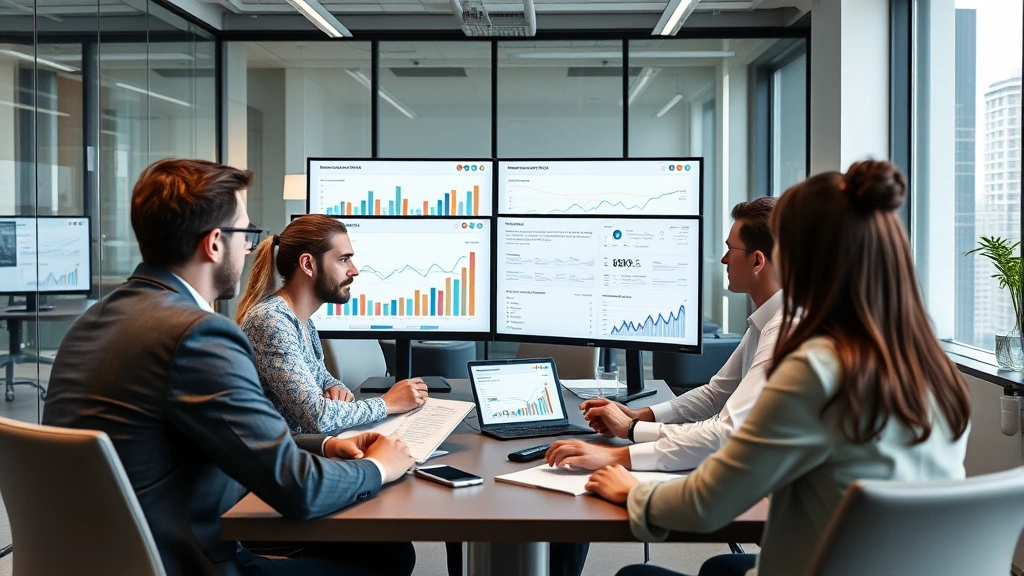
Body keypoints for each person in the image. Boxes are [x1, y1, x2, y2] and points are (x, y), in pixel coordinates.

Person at [586, 160, 972, 576]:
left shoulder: (816, 365)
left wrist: (631, 492)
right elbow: (722, 398)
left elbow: (707, 502)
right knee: (723, 568)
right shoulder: (933, 367)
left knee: (635, 575)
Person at [42, 159, 418, 576]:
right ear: (215, 243)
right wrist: (380, 466)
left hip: (103, 559)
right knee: (391, 557)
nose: (251, 248)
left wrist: (325, 445)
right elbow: (298, 491)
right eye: (246, 233)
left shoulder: (91, 322)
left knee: (383, 550)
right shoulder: (199, 336)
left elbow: (220, 437)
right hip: (188, 562)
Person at [546, 197, 782, 473]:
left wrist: (624, 443)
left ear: (757, 261)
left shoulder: (782, 332)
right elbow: (715, 395)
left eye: (731, 249)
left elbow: (725, 433)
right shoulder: (764, 321)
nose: (724, 259)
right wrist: (638, 416)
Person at [235, 214, 427, 434]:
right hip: (284, 460)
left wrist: (335, 388)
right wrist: (388, 403)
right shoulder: (271, 320)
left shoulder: (302, 320)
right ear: (308, 264)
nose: (353, 270)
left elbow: (321, 376)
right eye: (343, 259)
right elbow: (318, 418)